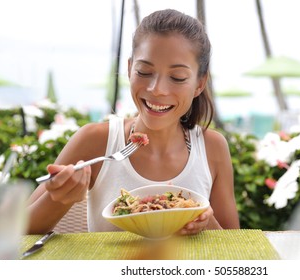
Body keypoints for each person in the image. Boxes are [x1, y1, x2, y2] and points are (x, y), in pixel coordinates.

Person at [27, 9, 240, 234]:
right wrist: (59, 198)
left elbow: (234, 246)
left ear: (199, 83)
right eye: (144, 72)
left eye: (177, 78)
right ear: (130, 69)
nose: (156, 89)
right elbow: (18, 233)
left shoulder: (212, 148)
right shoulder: (95, 141)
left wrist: (204, 220)